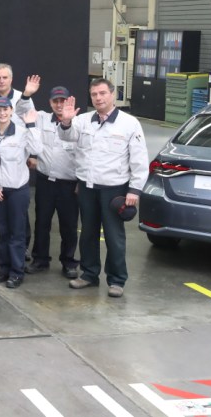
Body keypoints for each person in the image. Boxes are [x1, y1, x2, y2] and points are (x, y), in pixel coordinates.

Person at [58, 78, 148, 298]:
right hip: (87, 188)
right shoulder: (83, 120)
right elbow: (66, 137)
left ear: (112, 94)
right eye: (94, 94)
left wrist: (134, 190)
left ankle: (117, 280)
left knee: (114, 237)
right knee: (87, 233)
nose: (98, 98)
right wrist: (66, 122)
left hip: (114, 190)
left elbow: (139, 160)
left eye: (102, 93)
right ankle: (89, 274)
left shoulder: (129, 124)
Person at [0, 97, 41, 289]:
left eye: (5, 109)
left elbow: (37, 149)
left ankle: (16, 271)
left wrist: (31, 126)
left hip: (18, 191)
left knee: (17, 233)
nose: (2, 113)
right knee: (3, 232)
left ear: (11, 111)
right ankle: (3, 268)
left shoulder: (22, 132)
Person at [25, 86, 80, 279]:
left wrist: (81, 180)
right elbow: (23, 111)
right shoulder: (41, 118)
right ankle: (40, 259)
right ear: (50, 103)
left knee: (69, 225)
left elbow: (85, 154)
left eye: (63, 101)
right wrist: (26, 94)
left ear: (68, 102)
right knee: (42, 222)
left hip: (69, 184)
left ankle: (69, 262)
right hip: (45, 181)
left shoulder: (78, 123)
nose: (59, 104)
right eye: (55, 101)